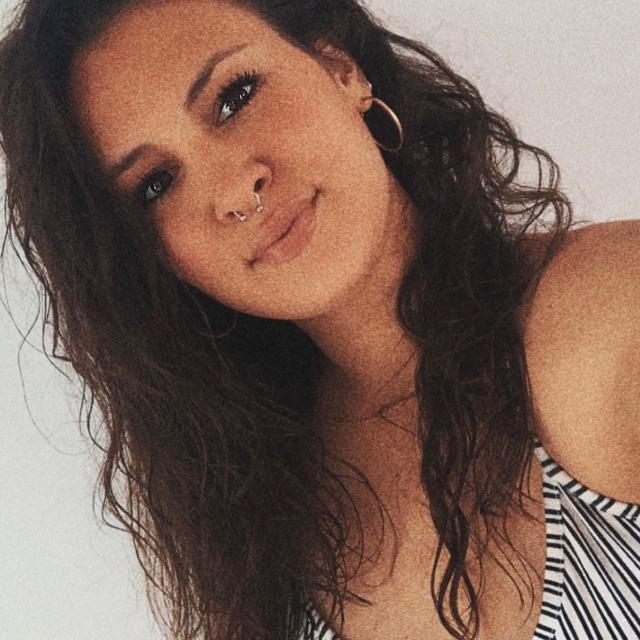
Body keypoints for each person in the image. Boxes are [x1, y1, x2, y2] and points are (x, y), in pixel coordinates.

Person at [0, 1, 638, 639]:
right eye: (157, 184)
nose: (236, 191)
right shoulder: (253, 520)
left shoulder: (606, 318)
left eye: (234, 97)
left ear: (340, 68)